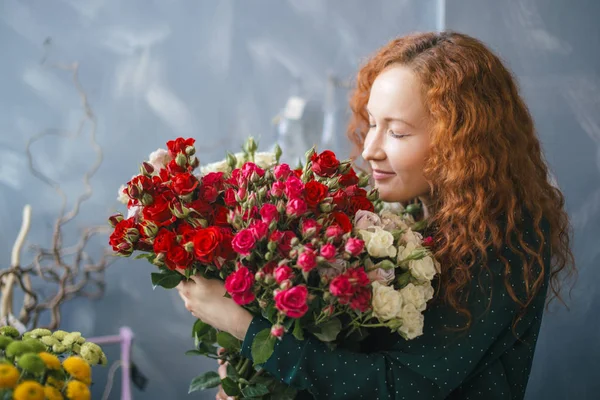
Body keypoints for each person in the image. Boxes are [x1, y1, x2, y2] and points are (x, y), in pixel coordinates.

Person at [176, 31, 576, 400]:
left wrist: (245, 330)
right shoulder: (403, 215)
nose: (370, 149)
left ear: (462, 142)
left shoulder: (503, 239)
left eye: (397, 132)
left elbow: (400, 386)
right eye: (370, 124)